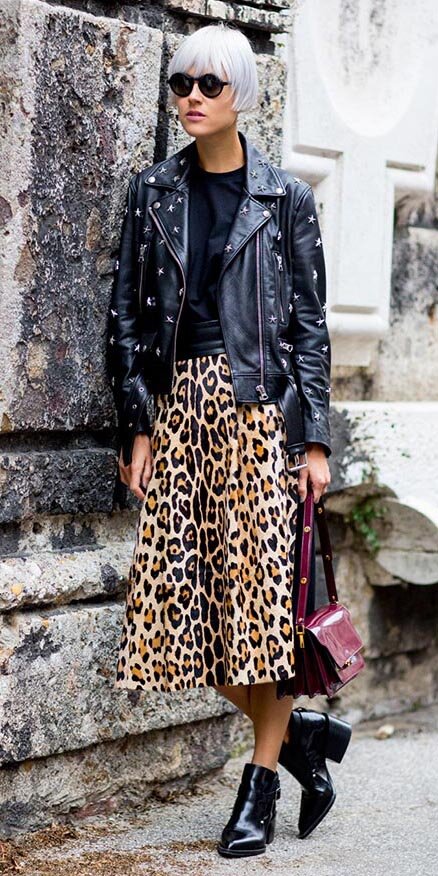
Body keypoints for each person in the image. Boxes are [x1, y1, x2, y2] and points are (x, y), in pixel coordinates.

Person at [107, 21, 351, 859]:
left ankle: (259, 784)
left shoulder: (287, 198)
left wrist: (312, 440)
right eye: (181, 84)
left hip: (259, 416)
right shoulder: (154, 193)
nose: (192, 98)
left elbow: (311, 328)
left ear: (240, 92)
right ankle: (307, 744)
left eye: (209, 84)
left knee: (259, 615)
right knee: (184, 618)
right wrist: (136, 423)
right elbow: (129, 319)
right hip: (179, 417)